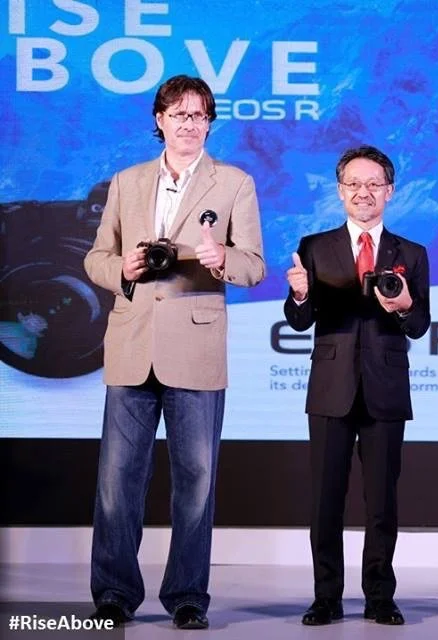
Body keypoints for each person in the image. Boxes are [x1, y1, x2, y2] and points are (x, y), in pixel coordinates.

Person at [84, 75, 266, 629]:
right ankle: (114, 592)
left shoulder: (234, 182)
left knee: (196, 480)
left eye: (199, 115)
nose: (189, 124)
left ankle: (187, 595)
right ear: (159, 119)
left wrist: (219, 259)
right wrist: (122, 270)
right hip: (132, 344)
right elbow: (96, 257)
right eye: (179, 114)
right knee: (118, 480)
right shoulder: (128, 180)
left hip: (196, 348)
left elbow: (255, 266)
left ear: (210, 123)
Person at [284, 145, 430, 627]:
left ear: (389, 191)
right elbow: (300, 320)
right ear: (340, 191)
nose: (363, 193)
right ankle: (325, 596)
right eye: (354, 184)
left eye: (373, 185)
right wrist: (301, 295)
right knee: (325, 499)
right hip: (330, 386)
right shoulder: (314, 246)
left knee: (382, 501)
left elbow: (419, 324)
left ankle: (379, 596)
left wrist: (405, 306)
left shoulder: (412, 252)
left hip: (386, 387)